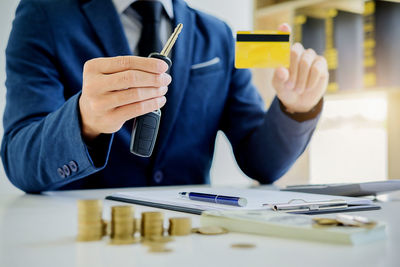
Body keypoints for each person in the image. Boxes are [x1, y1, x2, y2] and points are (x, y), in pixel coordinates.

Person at [1, 0, 328, 193]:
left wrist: (295, 109)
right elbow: (19, 160)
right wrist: (83, 121)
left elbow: (263, 164)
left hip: (193, 239)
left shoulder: (221, 36)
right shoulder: (43, 14)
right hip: (82, 242)